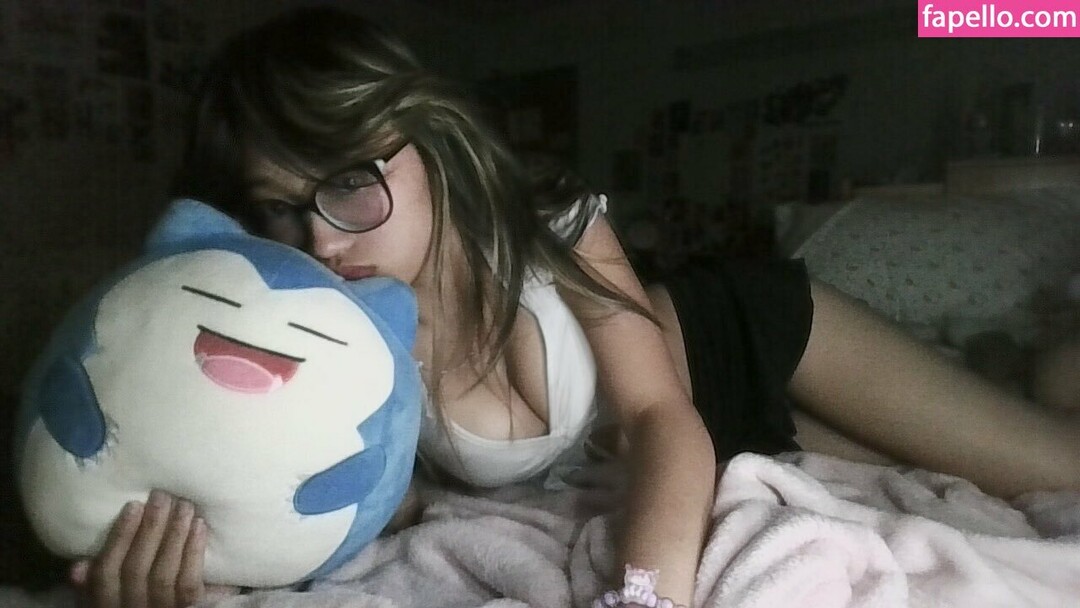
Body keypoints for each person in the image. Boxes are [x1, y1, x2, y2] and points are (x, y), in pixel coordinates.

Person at [66, 7, 1080, 608]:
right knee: (949, 464)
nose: (324, 241)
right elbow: (331, 504)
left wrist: (643, 599)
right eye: (281, 212)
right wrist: (202, 564)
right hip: (743, 443)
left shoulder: (549, 227)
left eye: (348, 183)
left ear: (423, 140)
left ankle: (1041, 367)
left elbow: (658, 415)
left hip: (743, 342)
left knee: (1061, 467)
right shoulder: (333, 341)